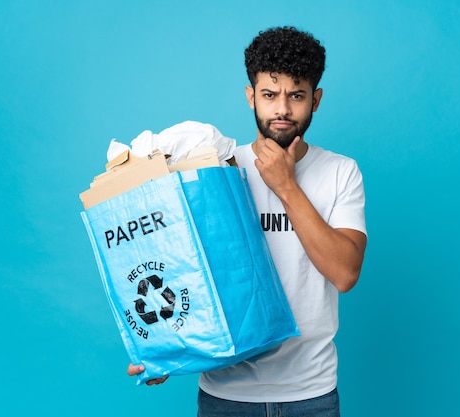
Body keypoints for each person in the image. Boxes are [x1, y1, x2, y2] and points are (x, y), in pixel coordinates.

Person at [128, 26, 367, 417]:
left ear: (316, 100)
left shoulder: (341, 171)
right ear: (250, 95)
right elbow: (182, 268)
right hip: (227, 395)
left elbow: (344, 273)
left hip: (312, 394)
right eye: (270, 95)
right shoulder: (216, 170)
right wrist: (162, 350)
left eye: (297, 95)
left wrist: (287, 187)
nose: (283, 110)